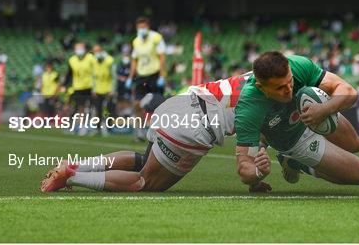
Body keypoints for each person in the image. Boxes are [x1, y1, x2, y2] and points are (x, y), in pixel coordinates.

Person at [40, 72, 271, 193]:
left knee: (142, 161)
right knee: (145, 182)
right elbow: (253, 151)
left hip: (179, 103)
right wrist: (255, 179)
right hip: (195, 127)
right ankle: (72, 175)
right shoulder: (276, 100)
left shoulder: (261, 74)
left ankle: (76, 165)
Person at [234, 52, 359, 188]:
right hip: (292, 139)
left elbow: (349, 92)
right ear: (260, 87)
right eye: (280, 87)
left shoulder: (297, 65)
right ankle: (296, 163)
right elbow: (244, 166)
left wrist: (324, 109)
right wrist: (258, 173)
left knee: (356, 145)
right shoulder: (248, 107)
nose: (288, 90)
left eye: (290, 81)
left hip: (313, 109)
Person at [126, 17, 166, 141]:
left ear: (148, 27)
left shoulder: (156, 38)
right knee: (137, 104)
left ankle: (160, 133)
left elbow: (162, 57)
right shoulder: (136, 41)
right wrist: (130, 77)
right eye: (139, 27)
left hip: (154, 75)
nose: (142, 29)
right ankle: (140, 133)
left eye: (144, 27)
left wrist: (162, 75)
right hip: (141, 76)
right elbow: (134, 59)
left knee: (158, 106)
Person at [63, 42, 95, 135]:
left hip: (90, 87)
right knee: (80, 108)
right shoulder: (72, 60)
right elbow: (69, 74)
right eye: (77, 48)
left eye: (80, 48)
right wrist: (65, 85)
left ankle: (93, 127)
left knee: (91, 108)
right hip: (78, 87)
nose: (79, 50)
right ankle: (82, 127)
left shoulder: (91, 58)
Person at [92, 44, 114, 136]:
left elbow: (113, 76)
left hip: (107, 89)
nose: (96, 53)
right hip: (97, 90)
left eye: (98, 51)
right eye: (95, 51)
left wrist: (111, 89)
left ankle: (108, 128)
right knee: (98, 110)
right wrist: (93, 89)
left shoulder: (108, 60)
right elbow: (92, 77)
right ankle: (98, 129)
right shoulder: (94, 61)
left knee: (108, 110)